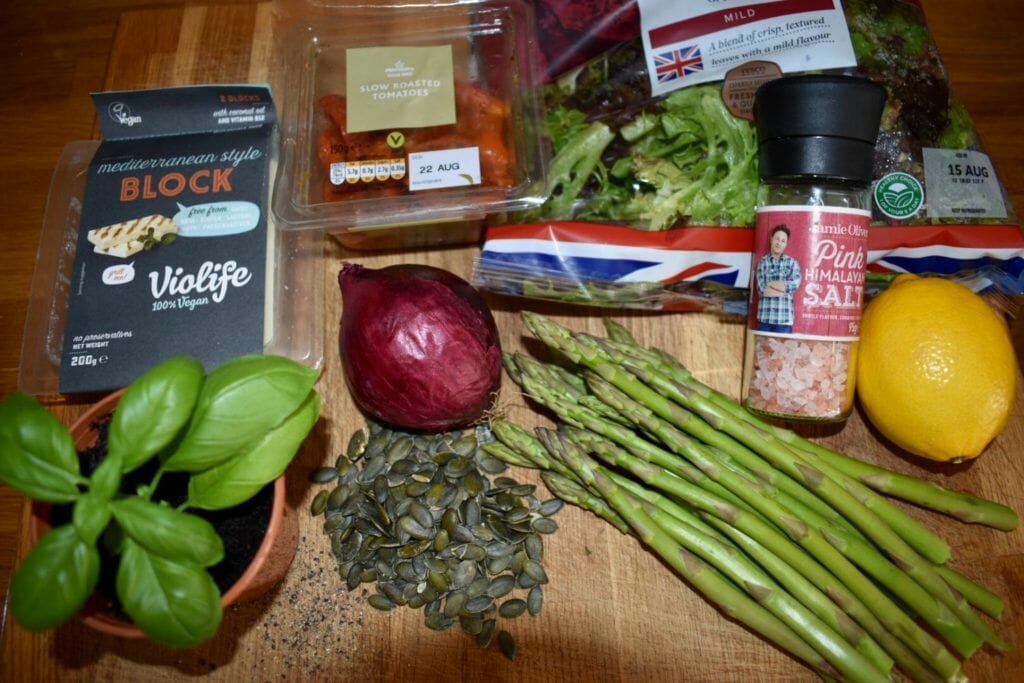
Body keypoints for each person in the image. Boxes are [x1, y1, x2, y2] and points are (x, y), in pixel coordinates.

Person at [755, 224, 801, 333]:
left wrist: (771, 285)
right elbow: (762, 290)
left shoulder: (792, 263)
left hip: (784, 321)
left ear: (786, 244)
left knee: (783, 350)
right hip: (764, 320)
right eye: (777, 239)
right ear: (771, 239)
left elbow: (794, 285)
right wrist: (783, 288)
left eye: (783, 241)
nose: (779, 243)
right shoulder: (762, 262)